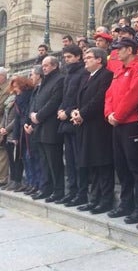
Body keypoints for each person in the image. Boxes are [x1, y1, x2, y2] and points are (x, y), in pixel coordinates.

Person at [104, 38, 138, 218]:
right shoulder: (118, 71)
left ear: (130, 50)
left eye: (119, 49)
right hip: (117, 123)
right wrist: (109, 114)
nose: (115, 53)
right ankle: (126, 203)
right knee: (122, 167)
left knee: (136, 168)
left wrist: (118, 115)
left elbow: (134, 95)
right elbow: (109, 94)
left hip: (131, 124)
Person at [70, 48, 115, 212]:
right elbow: (80, 99)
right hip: (86, 126)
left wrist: (82, 113)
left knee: (102, 164)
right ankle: (94, 198)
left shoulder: (106, 75)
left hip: (99, 127)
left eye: (89, 57)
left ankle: (105, 200)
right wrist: (76, 111)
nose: (85, 60)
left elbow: (99, 99)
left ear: (99, 60)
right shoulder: (87, 77)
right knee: (92, 164)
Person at [29, 56, 65, 203]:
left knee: (54, 161)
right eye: (43, 66)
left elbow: (54, 102)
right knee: (44, 161)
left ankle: (58, 191)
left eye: (46, 65)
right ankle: (46, 188)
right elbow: (36, 100)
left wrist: (39, 116)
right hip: (40, 127)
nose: (43, 68)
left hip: (51, 127)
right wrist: (32, 114)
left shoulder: (60, 79)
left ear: (55, 66)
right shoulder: (44, 81)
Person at [55, 45, 86, 205]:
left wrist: (67, 112)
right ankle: (72, 190)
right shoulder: (68, 74)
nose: (66, 60)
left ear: (78, 57)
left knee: (78, 159)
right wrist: (61, 109)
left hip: (75, 121)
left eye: (69, 57)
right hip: (65, 122)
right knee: (70, 159)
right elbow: (65, 96)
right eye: (65, 57)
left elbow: (78, 97)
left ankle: (81, 193)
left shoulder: (82, 73)